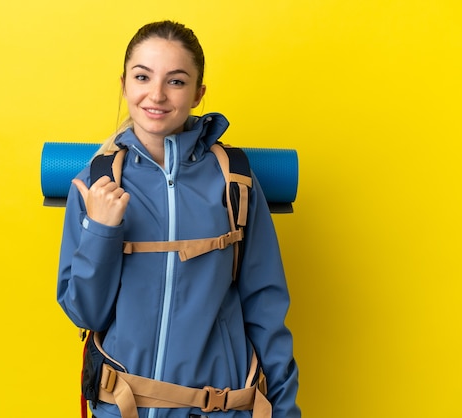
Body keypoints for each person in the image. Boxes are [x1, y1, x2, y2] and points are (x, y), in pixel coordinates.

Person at [57, 20, 301, 418]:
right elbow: (86, 315)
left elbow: (266, 309)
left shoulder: (234, 180)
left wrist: (285, 411)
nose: (156, 95)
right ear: (124, 84)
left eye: (176, 81)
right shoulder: (95, 184)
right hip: (124, 408)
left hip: (221, 409)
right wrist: (102, 230)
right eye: (142, 77)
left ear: (198, 93)